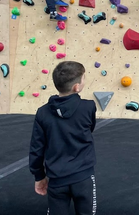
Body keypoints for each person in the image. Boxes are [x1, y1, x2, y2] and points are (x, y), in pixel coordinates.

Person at [29, 61, 97, 215]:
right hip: (83, 177)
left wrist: (39, 176)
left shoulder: (42, 112)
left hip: (57, 179)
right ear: (76, 87)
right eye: (83, 78)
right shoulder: (88, 107)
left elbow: (36, 148)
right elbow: (90, 128)